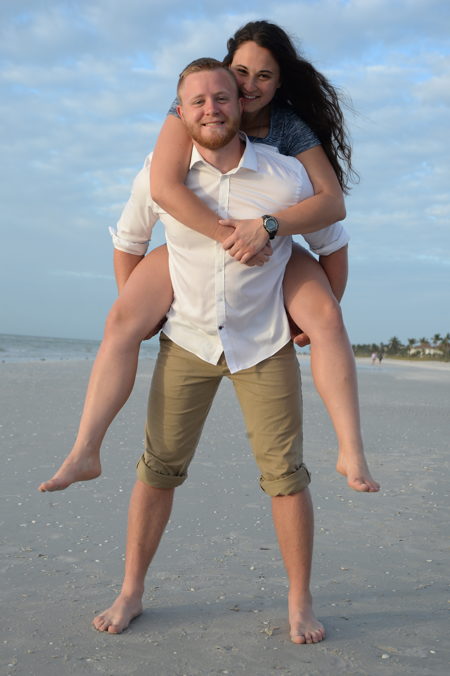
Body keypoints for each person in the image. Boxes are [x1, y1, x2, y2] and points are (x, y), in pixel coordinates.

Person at [39, 20, 379, 495]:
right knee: (121, 319)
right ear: (225, 69)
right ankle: (84, 451)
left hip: (273, 243)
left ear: (279, 82)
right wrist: (227, 241)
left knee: (326, 317)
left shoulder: (288, 128)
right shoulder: (194, 110)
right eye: (241, 72)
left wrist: (266, 230)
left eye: (264, 75)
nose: (250, 85)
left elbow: (332, 206)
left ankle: (352, 451)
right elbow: (162, 188)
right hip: (197, 239)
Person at [92, 57, 348, 642]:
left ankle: (300, 601)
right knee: (158, 468)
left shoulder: (286, 174)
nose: (213, 108)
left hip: (264, 344)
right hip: (188, 339)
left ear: (242, 103)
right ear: (180, 112)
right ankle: (130, 591)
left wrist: (314, 315)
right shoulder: (161, 175)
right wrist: (145, 313)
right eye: (199, 101)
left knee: (286, 475)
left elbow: (332, 237)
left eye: (224, 97)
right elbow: (130, 240)